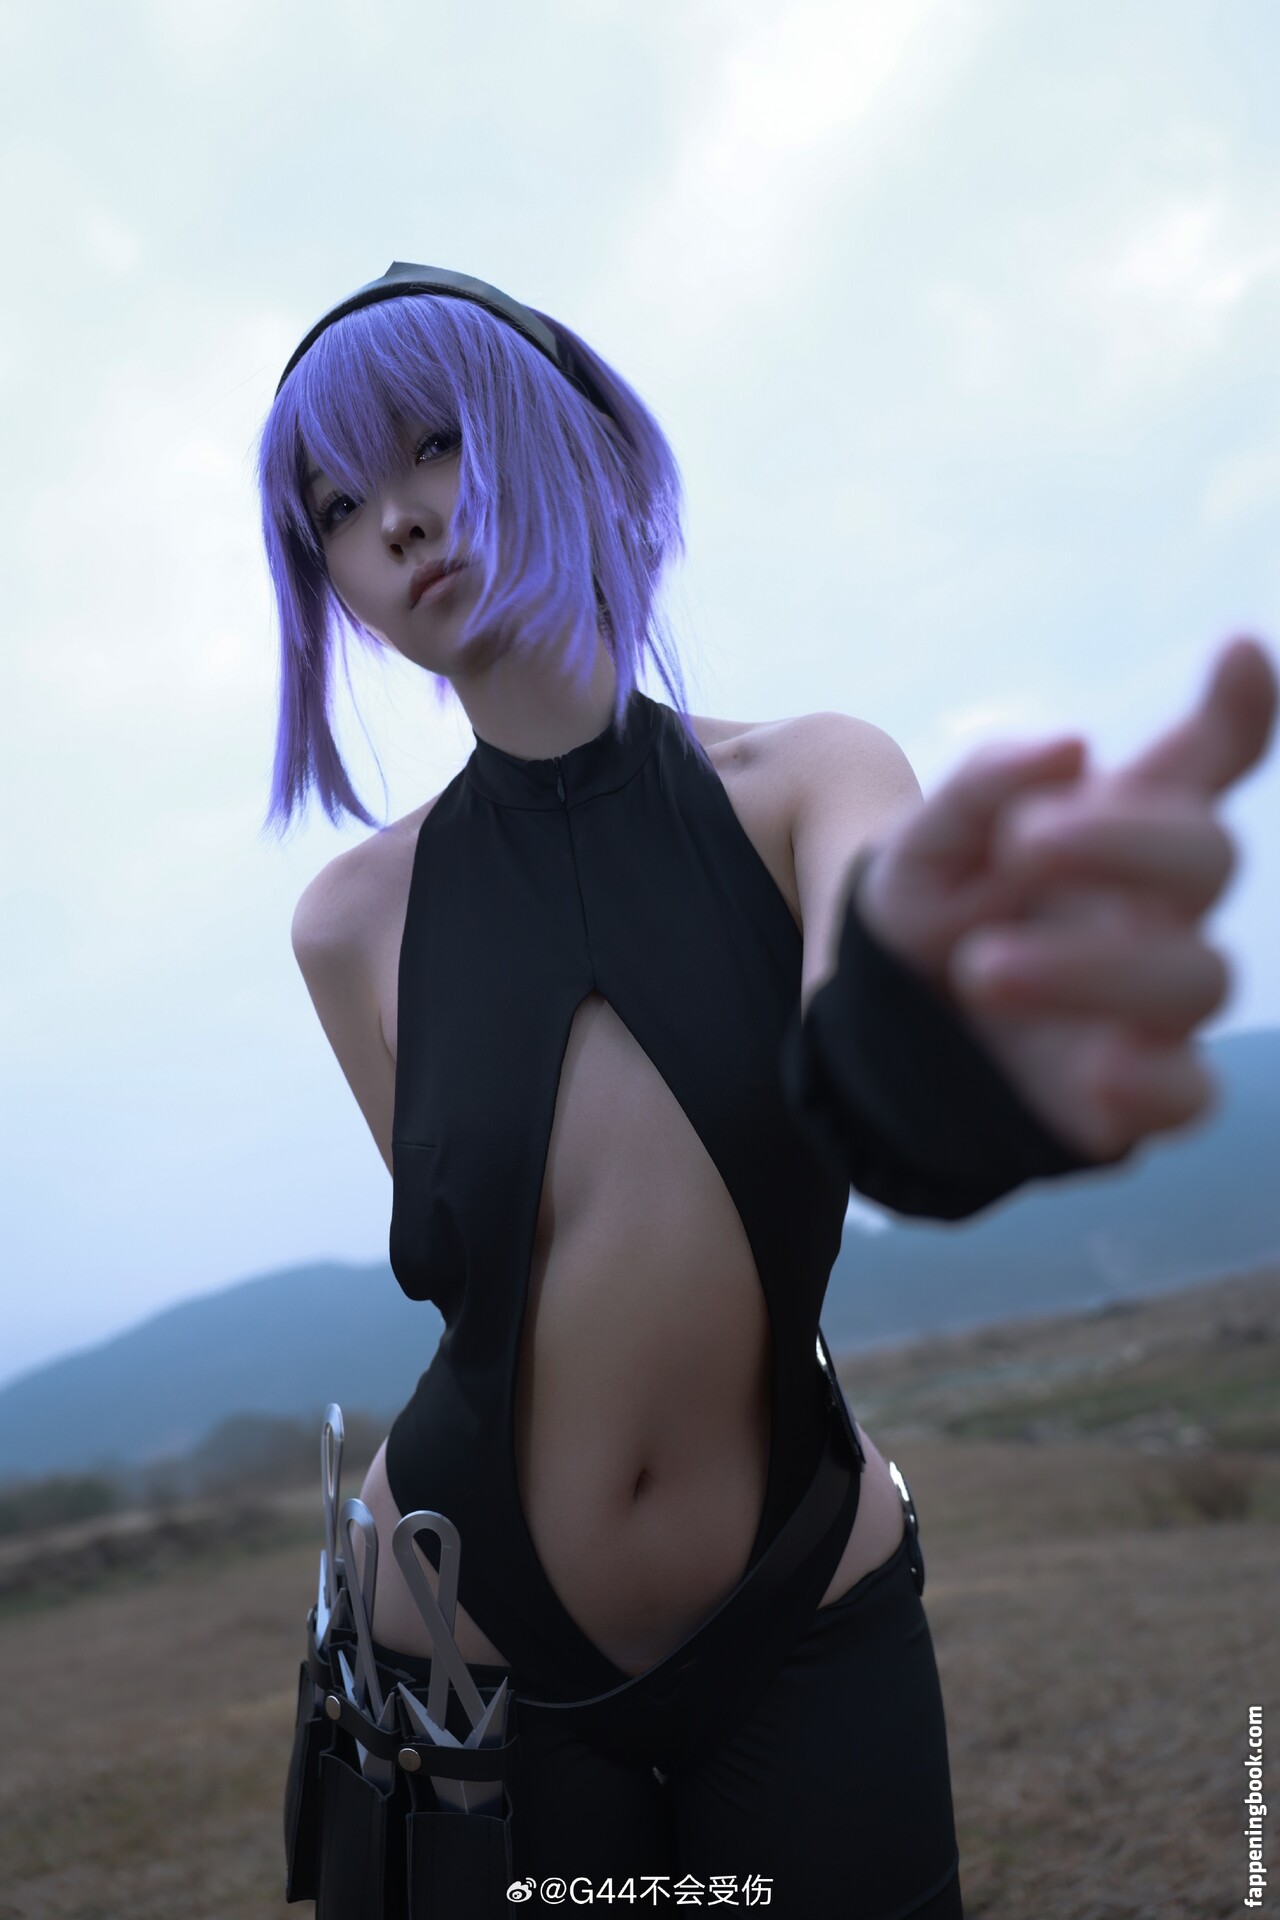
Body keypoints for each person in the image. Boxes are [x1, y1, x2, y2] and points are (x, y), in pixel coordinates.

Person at [257, 264, 1277, 1918]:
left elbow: (877, 1040)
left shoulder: (812, 781)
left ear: (571, 435)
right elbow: (495, 1293)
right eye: (334, 506)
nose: (396, 517)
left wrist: (948, 1028)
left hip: (804, 1607)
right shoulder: (349, 928)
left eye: (435, 441)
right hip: (468, 1656)